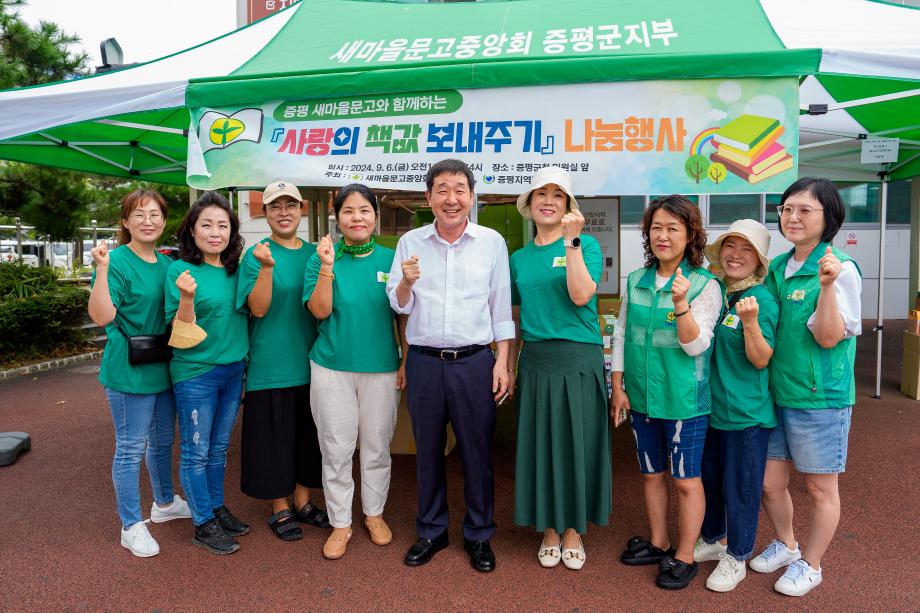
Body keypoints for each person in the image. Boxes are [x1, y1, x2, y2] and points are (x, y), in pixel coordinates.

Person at [386, 159, 513, 573]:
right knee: (428, 452)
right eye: (442, 189)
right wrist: (405, 281)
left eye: (460, 189)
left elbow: (501, 309)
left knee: (477, 453)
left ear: (472, 196)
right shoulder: (411, 243)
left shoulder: (492, 242)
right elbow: (398, 303)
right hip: (424, 362)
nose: (451, 198)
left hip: (476, 362)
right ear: (428, 197)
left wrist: (503, 363)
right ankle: (431, 530)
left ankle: (479, 534)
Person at [750, 178, 862, 597]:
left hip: (820, 399)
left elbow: (830, 337)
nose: (792, 217)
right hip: (776, 393)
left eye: (804, 210)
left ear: (828, 217)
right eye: (786, 209)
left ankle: (811, 564)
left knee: (819, 488)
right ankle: (786, 542)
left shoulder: (840, 268)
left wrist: (828, 287)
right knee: (769, 483)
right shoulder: (779, 267)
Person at [610, 195, 721, 589]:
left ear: (691, 234)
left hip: (684, 400)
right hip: (640, 396)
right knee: (651, 474)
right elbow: (622, 331)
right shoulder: (636, 279)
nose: (663, 235)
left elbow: (696, 345)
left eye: (673, 228)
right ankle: (658, 542)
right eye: (656, 227)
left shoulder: (704, 285)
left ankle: (685, 554)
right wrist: (618, 386)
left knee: (686, 480)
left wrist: (680, 303)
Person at [508, 167, 610, 570]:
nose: (548, 200)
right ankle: (548, 528)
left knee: (577, 442)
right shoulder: (517, 257)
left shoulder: (585, 245)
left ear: (569, 206)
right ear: (529, 206)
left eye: (557, 195)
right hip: (535, 358)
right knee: (541, 442)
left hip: (578, 358)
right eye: (540, 194)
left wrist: (571, 242)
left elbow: (581, 293)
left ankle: (572, 530)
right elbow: (515, 316)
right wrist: (510, 363)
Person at [88, 189, 191, 557]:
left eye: (155, 214)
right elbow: (102, 316)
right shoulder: (114, 260)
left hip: (163, 366)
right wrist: (100, 269)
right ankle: (130, 525)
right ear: (126, 221)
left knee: (163, 442)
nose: (148, 221)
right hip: (128, 371)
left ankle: (163, 504)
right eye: (139, 214)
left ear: (164, 221)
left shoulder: (167, 265)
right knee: (131, 448)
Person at [304, 183, 402, 560]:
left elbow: (404, 315)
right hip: (331, 367)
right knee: (336, 448)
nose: (357, 217)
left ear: (375, 216)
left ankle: (374, 514)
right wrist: (327, 267)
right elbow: (319, 311)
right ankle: (340, 522)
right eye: (349, 211)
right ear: (337, 217)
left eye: (364, 210)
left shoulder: (391, 258)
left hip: (381, 367)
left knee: (377, 447)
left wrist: (406, 359)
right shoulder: (322, 258)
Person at [236, 181, 329, 543]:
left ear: (302, 210)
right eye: (276, 206)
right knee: (274, 440)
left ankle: (304, 503)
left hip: (314, 362)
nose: (284, 212)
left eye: (291, 205)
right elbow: (257, 308)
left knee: (309, 438)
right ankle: (280, 507)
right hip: (270, 364)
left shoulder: (316, 254)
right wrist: (267, 268)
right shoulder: (256, 255)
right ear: (266, 213)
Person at [694, 219, 779, 592]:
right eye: (730, 246)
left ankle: (738, 555)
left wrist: (750, 323)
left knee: (741, 487)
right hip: (712, 409)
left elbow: (761, 359)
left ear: (759, 262)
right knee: (710, 478)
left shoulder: (760, 299)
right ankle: (714, 538)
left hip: (746, 415)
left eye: (747, 250)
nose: (736, 255)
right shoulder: (720, 292)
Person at [165, 191, 249, 555]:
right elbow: (178, 332)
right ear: (192, 231)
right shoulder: (180, 271)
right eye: (207, 225)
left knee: (219, 448)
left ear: (232, 231)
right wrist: (186, 298)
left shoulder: (237, 270)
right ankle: (202, 522)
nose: (215, 232)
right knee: (196, 452)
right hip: (196, 373)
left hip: (234, 371)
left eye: (222, 225)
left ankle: (216, 507)